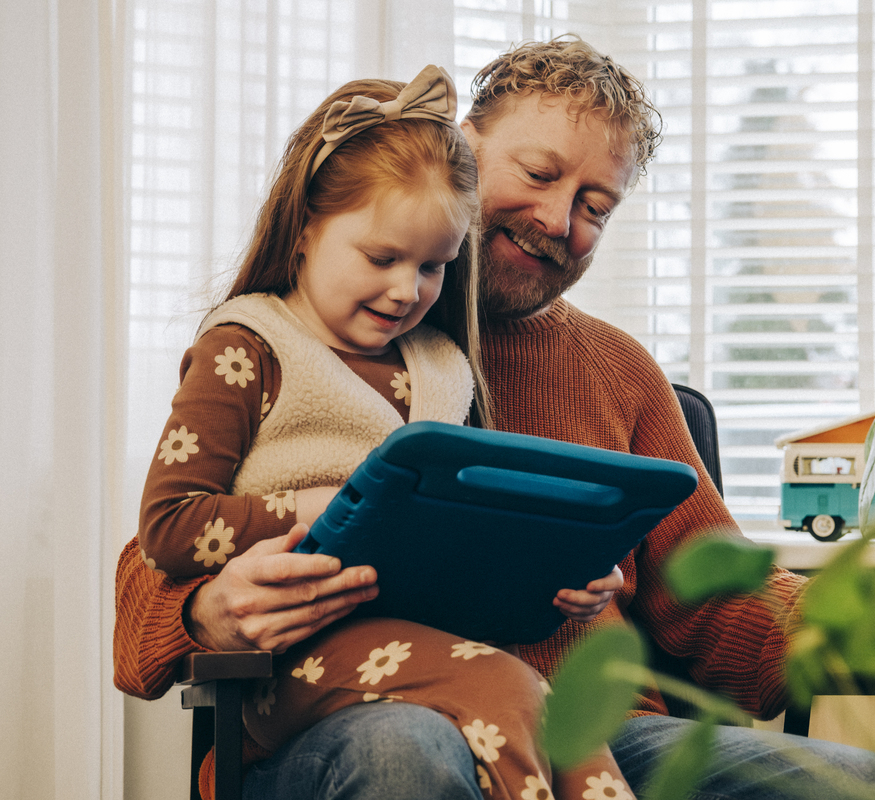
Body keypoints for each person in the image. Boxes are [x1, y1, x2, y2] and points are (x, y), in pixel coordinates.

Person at [114, 37, 875, 800]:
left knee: (849, 786)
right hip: (357, 718)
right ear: (462, 153)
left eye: (597, 205)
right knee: (411, 752)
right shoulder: (294, 339)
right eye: (540, 173)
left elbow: (716, 590)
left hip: (588, 734)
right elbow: (161, 552)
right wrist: (204, 612)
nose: (560, 221)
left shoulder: (610, 370)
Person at [131, 63, 630, 800]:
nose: (407, 290)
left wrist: (565, 568)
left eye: (433, 266)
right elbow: (168, 527)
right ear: (304, 229)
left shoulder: (443, 364)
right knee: (510, 691)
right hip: (298, 671)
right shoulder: (247, 347)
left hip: (439, 654)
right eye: (383, 258)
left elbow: (468, 537)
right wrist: (316, 507)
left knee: (557, 718)